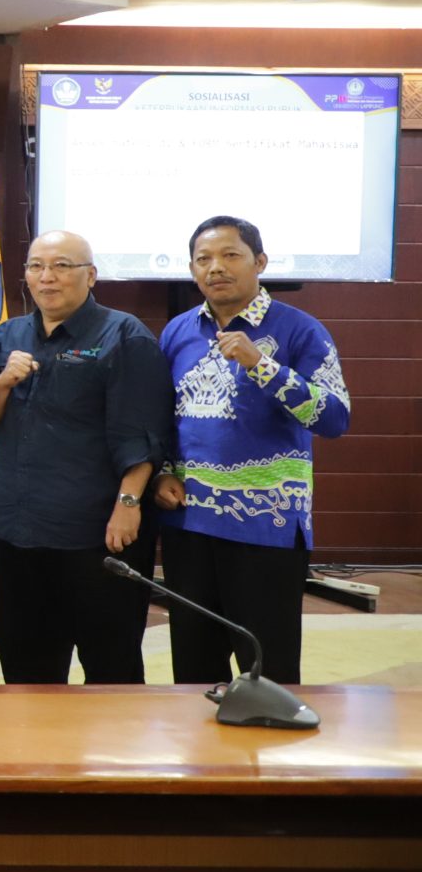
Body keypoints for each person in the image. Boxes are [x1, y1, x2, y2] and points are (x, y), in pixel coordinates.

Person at [154, 215, 349, 687]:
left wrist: (262, 365)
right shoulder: (178, 331)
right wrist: (162, 472)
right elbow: (159, 416)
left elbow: (334, 419)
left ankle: (267, 738)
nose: (215, 268)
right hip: (188, 524)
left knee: (268, 669)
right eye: (203, 259)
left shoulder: (300, 330)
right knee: (194, 670)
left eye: (230, 255)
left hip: (266, 527)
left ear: (260, 262)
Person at [0, 230, 173, 686]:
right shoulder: (8, 335)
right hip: (17, 531)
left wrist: (128, 504)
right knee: (25, 671)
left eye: (62, 266)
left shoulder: (124, 334)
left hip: (96, 535)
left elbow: (144, 431)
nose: (47, 276)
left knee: (110, 669)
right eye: (36, 266)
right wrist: (3, 382)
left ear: (91, 275)